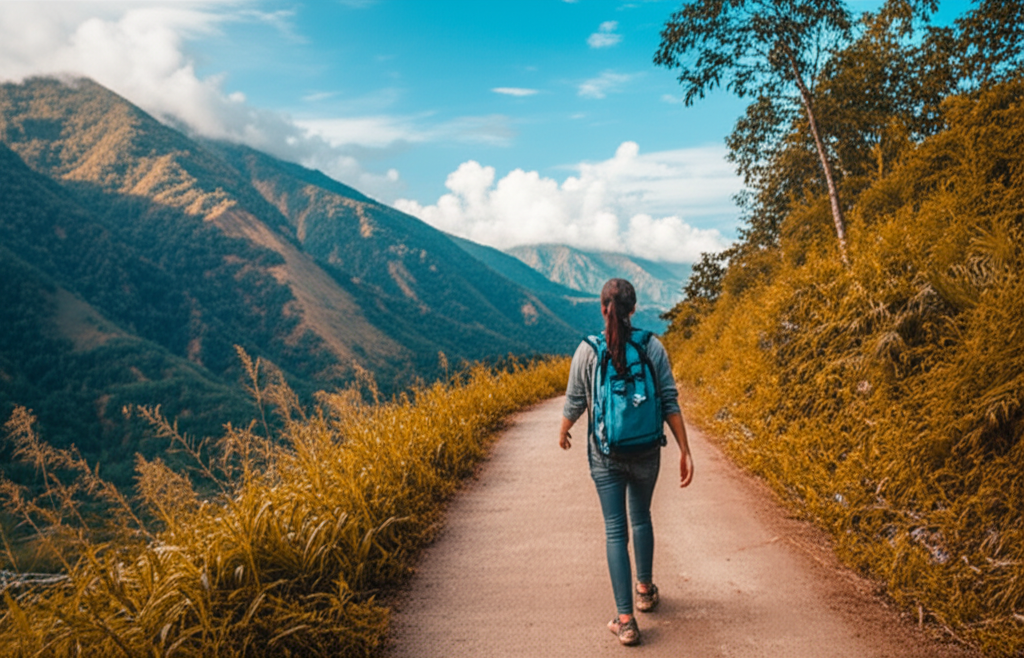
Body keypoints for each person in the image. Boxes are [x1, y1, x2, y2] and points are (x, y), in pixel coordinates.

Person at [559, 278, 694, 646]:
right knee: (642, 517)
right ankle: (645, 590)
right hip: (647, 450)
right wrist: (685, 450)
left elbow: (574, 401)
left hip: (606, 455)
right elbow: (669, 400)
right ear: (633, 310)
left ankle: (626, 621)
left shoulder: (588, 350)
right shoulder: (652, 346)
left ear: (602, 308)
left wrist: (564, 429)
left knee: (615, 530)